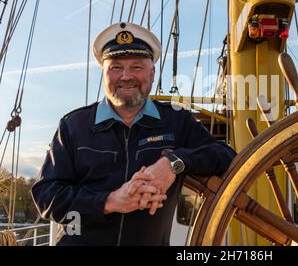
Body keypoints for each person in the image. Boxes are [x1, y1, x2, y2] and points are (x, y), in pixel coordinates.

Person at [31, 22, 235, 246]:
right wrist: (109, 201)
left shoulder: (176, 121)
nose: (126, 76)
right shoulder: (73, 125)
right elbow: (46, 195)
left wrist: (172, 163)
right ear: (104, 73)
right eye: (116, 67)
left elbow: (224, 156)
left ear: (152, 72)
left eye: (136, 67)